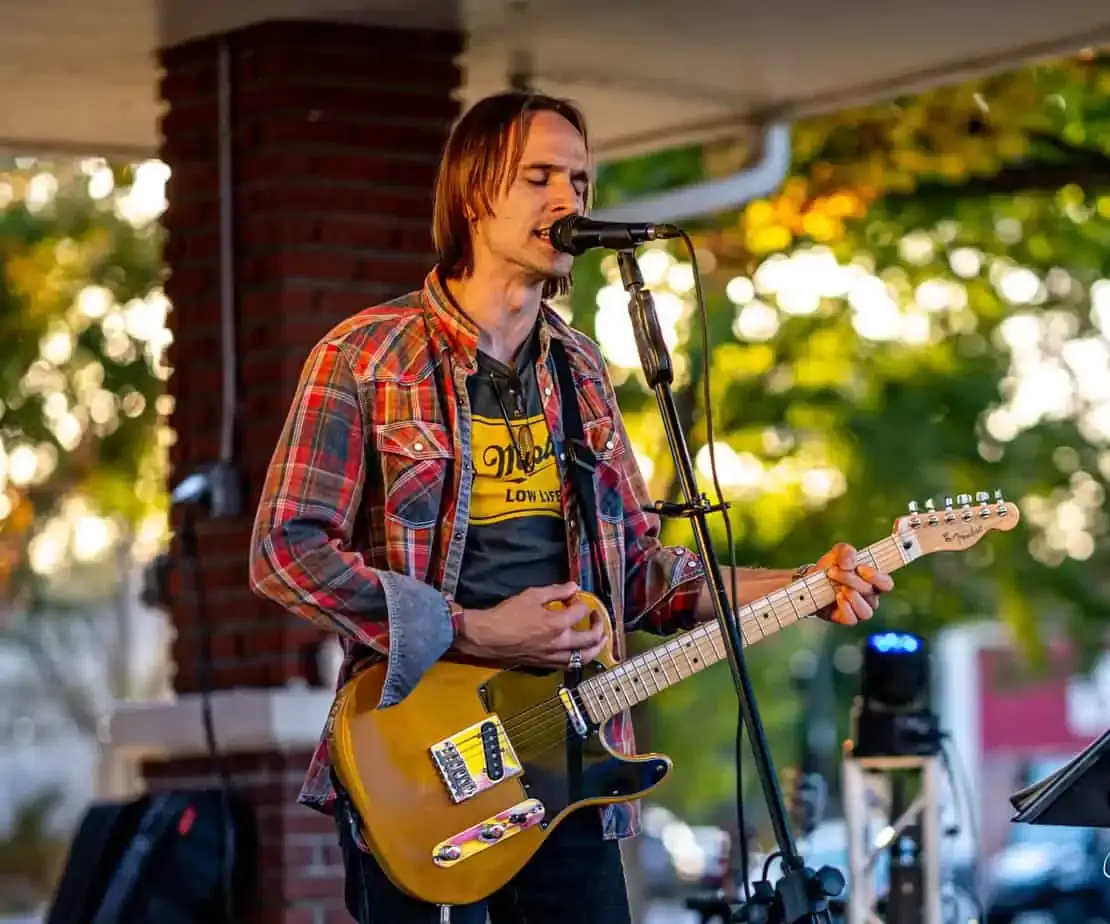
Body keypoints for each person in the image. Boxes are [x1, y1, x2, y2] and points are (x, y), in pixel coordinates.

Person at [248, 89, 894, 924]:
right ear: (474, 194)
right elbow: (284, 552)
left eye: (581, 182)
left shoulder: (580, 369)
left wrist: (801, 583)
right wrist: (473, 628)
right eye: (539, 177)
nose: (569, 201)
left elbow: (643, 577)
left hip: (574, 764)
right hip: (424, 765)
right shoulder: (365, 355)